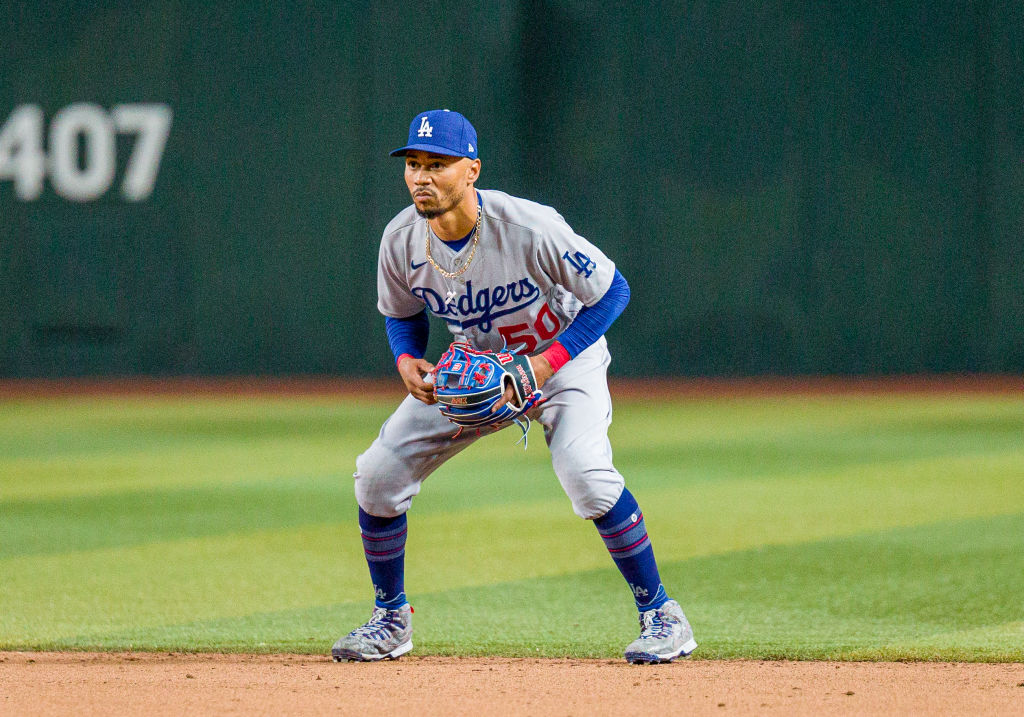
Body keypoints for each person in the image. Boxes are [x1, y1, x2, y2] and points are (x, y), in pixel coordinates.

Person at [331, 109, 697, 664]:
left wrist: (546, 364)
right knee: (377, 476)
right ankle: (390, 619)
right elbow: (402, 313)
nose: (421, 177)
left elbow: (612, 291)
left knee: (587, 477)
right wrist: (405, 359)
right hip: (473, 374)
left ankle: (662, 615)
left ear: (472, 170)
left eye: (437, 164)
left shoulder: (529, 226)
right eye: (413, 164)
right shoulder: (401, 238)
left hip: (563, 362)